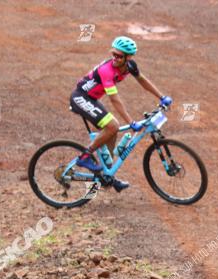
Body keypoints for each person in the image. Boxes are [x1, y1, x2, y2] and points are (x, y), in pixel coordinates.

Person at [69, 36, 172, 191]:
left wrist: (162, 97)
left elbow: (142, 80)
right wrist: (131, 122)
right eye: (113, 54)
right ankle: (85, 156)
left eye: (119, 56)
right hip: (80, 97)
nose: (115, 58)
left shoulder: (130, 65)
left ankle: (107, 175)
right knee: (113, 125)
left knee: (112, 132)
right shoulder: (107, 71)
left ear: (128, 57)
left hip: (92, 98)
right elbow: (115, 100)